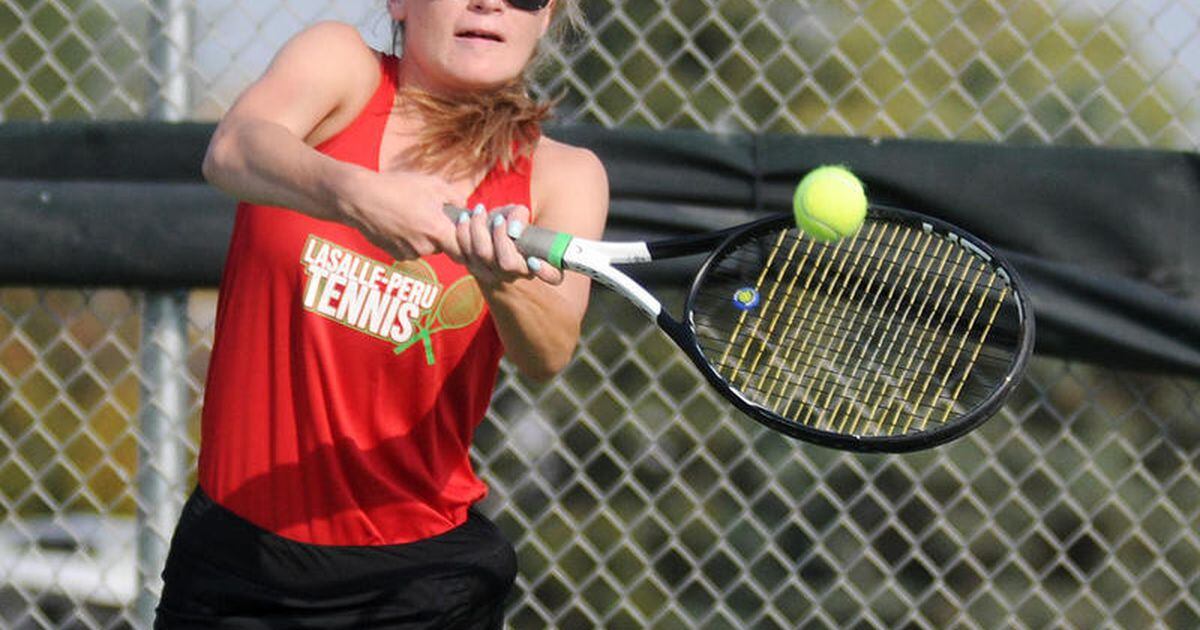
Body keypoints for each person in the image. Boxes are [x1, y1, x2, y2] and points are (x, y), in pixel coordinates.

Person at [154, 0, 607, 627]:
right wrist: (354, 193)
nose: (490, 2)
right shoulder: (340, 64)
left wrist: (501, 280)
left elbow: (549, 351)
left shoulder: (564, 175)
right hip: (238, 557)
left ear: (546, 15)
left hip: (417, 585)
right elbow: (231, 150)